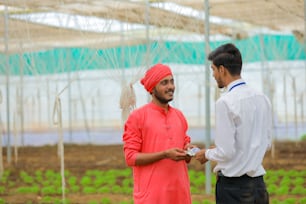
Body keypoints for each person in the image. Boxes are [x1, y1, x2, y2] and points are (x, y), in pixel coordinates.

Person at [195, 43, 272, 204]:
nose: (214, 75)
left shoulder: (225, 102)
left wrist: (206, 154)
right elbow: (267, 144)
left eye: (213, 70)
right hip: (258, 186)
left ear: (222, 69)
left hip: (234, 189)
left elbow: (226, 152)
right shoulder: (262, 98)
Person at [122, 63, 192, 204]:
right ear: (152, 89)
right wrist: (164, 154)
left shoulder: (179, 116)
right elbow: (130, 158)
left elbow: (185, 146)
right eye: (164, 83)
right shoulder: (138, 117)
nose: (170, 86)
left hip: (180, 195)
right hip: (152, 197)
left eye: (172, 81)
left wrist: (188, 151)